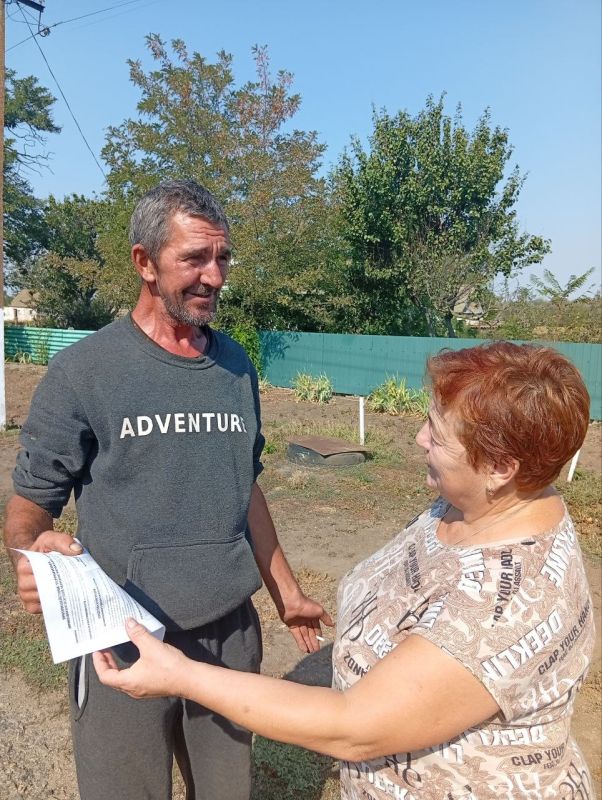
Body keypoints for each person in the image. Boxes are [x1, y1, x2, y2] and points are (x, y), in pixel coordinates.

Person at [94, 342, 595, 800]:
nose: (420, 438)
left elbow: (352, 727)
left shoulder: (505, 601)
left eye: (438, 435)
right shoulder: (473, 507)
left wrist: (181, 675)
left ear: (501, 467)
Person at [3, 179, 332, 800]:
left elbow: (246, 482)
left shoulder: (235, 366)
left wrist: (286, 593)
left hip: (227, 636)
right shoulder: (85, 371)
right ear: (144, 262)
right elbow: (30, 502)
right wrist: (31, 550)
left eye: (223, 257)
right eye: (194, 259)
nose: (214, 276)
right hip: (123, 635)